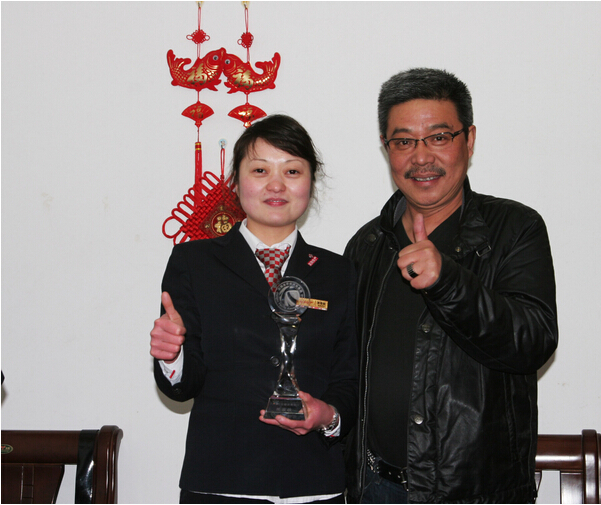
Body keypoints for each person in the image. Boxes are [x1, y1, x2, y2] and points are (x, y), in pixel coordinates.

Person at [344, 68, 558, 503]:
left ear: (469, 140)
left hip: (474, 493)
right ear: (387, 149)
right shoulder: (367, 244)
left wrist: (447, 281)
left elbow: (532, 340)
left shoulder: (513, 228)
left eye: (439, 137)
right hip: (376, 488)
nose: (421, 157)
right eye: (404, 142)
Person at [150, 114, 358, 504]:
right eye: (260, 170)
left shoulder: (339, 272)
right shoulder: (194, 262)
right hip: (220, 481)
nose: (276, 185)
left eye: (292, 171)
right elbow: (183, 385)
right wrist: (172, 356)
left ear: (311, 182)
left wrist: (328, 416)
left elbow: (350, 377)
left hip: (314, 484)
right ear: (236, 182)